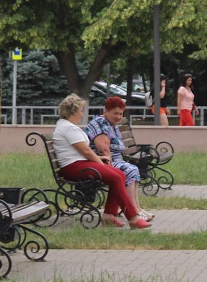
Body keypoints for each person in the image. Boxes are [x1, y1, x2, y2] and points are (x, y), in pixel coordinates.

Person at [51, 94, 151, 229]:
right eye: (80, 110)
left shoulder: (67, 126)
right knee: (116, 176)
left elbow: (84, 151)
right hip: (74, 167)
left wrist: (100, 160)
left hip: (80, 164)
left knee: (120, 174)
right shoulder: (68, 127)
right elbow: (85, 151)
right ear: (72, 111)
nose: (82, 114)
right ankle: (133, 218)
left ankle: (109, 216)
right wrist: (99, 161)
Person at [84, 96, 154, 222]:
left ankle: (137, 208)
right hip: (102, 162)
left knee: (133, 169)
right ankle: (134, 211)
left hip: (115, 160)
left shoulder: (112, 124)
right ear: (106, 111)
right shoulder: (101, 123)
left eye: (120, 114)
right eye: (115, 113)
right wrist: (110, 169)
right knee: (128, 169)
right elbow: (104, 149)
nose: (118, 117)